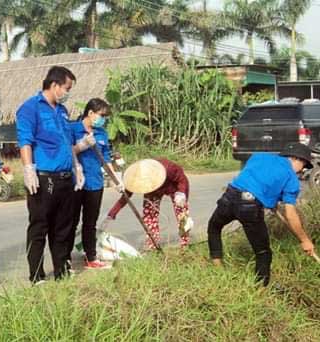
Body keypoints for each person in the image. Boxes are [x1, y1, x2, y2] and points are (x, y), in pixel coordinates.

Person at [207, 143, 316, 286]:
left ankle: (218, 268)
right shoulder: (292, 179)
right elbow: (290, 214)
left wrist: (271, 200)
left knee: (214, 228)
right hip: (250, 207)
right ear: (297, 159)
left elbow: (258, 178)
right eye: (304, 166)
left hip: (230, 196)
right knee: (263, 253)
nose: (301, 171)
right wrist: (304, 240)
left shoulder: (259, 156)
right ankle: (260, 290)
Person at [16, 66, 86, 284]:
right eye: (66, 88)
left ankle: (61, 271)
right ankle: (37, 276)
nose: (67, 92)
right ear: (54, 85)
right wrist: (29, 170)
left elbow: (68, 142)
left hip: (66, 178)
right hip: (44, 178)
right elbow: (25, 141)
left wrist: (76, 167)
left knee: (63, 229)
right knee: (39, 227)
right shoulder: (30, 108)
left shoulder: (62, 111)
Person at [68, 98, 121, 269]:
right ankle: (64, 257)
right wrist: (80, 146)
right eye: (101, 115)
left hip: (95, 183)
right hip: (76, 183)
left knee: (90, 222)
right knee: (71, 220)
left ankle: (90, 256)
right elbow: (66, 152)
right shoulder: (73, 129)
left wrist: (116, 180)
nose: (103, 120)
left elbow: (106, 160)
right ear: (90, 113)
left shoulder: (102, 134)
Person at [103, 158, 193, 250]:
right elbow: (125, 197)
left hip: (174, 187)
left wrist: (181, 193)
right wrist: (112, 213)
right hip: (152, 190)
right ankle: (153, 244)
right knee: (150, 215)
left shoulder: (168, 167)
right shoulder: (136, 178)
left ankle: (185, 243)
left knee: (182, 215)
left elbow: (182, 179)